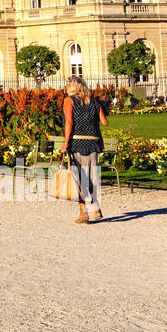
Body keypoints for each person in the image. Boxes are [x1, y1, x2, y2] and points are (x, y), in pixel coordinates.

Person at [57, 77, 109, 224]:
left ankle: (84, 214)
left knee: (78, 180)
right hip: (93, 143)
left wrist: (66, 143)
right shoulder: (93, 101)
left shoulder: (69, 101)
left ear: (73, 87)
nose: (65, 88)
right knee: (91, 178)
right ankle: (96, 207)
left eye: (67, 85)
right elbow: (105, 122)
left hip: (77, 142)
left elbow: (69, 123)